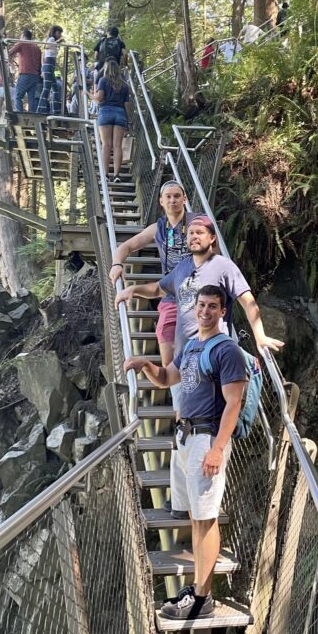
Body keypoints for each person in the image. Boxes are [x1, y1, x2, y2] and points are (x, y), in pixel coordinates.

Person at [125, 285, 247, 619]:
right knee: (196, 518)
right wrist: (146, 365)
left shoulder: (227, 351)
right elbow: (167, 378)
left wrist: (218, 449)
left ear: (223, 312)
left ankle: (203, 598)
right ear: (194, 308)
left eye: (213, 306)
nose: (205, 311)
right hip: (187, 436)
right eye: (201, 305)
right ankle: (196, 590)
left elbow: (233, 403)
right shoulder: (192, 345)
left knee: (206, 519)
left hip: (207, 438)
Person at [115, 214, 283, 358]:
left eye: (200, 232)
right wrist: (133, 290)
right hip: (185, 357)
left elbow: (248, 301)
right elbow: (158, 289)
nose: (194, 236)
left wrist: (260, 336)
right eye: (191, 233)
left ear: (212, 238)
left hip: (213, 352)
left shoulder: (224, 266)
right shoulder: (182, 267)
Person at [109, 180, 195, 448]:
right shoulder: (157, 228)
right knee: (169, 361)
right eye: (168, 197)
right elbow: (126, 246)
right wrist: (116, 264)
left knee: (190, 355)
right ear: (161, 201)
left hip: (194, 297)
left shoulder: (195, 224)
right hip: (169, 296)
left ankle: (189, 415)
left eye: (177, 196)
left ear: (184, 198)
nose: (172, 201)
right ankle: (181, 417)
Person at [95, 57, 130, 182]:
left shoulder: (103, 80)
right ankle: (116, 175)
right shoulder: (125, 85)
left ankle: (105, 175)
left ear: (107, 69)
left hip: (105, 112)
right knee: (117, 146)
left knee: (106, 145)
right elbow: (127, 105)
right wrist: (128, 120)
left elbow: (99, 98)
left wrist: (88, 95)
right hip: (120, 114)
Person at [9, 29, 42, 112]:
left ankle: (19, 113)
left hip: (25, 74)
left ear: (23, 35)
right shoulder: (36, 47)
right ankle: (32, 116)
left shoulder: (22, 43)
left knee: (18, 95)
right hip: (35, 75)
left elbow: (9, 52)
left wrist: (9, 61)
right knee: (32, 98)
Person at [37, 25, 63, 114]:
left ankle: (56, 110)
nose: (60, 35)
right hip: (48, 65)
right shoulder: (51, 39)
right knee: (46, 88)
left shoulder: (53, 41)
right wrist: (58, 41)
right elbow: (47, 46)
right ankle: (40, 110)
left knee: (55, 89)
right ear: (55, 32)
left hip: (51, 65)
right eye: (59, 33)